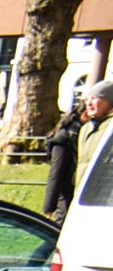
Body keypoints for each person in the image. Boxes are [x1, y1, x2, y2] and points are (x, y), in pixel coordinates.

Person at [46, 79, 113, 220]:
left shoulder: (110, 127)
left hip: (104, 202)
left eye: (95, 98)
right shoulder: (85, 128)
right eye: (88, 98)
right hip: (81, 199)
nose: (89, 103)